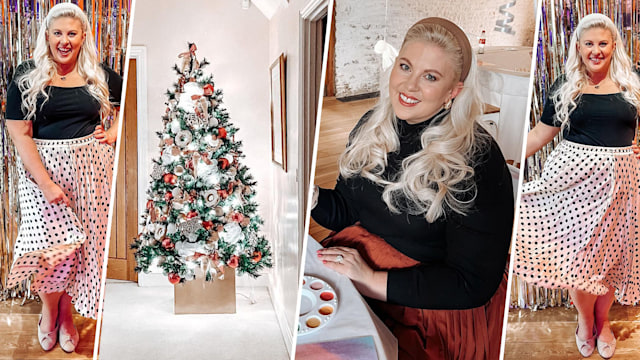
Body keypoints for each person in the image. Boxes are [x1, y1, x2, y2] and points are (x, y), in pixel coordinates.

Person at [311, 17, 514, 359]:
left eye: (430, 77)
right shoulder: (372, 125)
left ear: (455, 90)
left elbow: (472, 284)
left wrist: (371, 279)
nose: (410, 85)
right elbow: (348, 208)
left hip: (433, 307)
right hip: (363, 267)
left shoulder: (476, 159)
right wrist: (310, 195)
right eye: (405, 66)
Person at [514, 13, 640, 359]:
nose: (596, 50)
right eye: (589, 44)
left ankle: (605, 321)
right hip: (574, 184)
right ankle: (586, 324)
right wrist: (506, 156)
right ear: (578, 47)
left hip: (621, 187)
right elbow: (541, 134)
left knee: (610, 258)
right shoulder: (564, 84)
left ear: (614, 46)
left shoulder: (633, 82)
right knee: (580, 261)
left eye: (603, 43)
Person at [4, 3, 122, 353]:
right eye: (58, 33)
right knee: (50, 251)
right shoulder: (26, 75)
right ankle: (49, 308)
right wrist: (47, 184)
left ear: (83, 36)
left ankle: (68, 313)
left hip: (92, 171)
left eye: (72, 33)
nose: (64, 40)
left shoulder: (99, 74)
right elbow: (19, 133)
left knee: (84, 248)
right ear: (47, 36)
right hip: (43, 172)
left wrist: (114, 131)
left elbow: (130, 103)